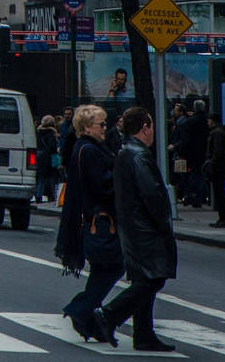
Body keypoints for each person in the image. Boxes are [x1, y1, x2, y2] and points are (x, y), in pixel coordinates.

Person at [92, 106, 178, 352]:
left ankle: (143, 334)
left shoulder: (126, 152)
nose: (153, 132)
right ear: (145, 128)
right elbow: (151, 194)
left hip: (132, 227)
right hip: (145, 229)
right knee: (153, 278)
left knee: (145, 278)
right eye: (151, 126)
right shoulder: (137, 155)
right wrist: (163, 222)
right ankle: (109, 314)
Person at [57, 105, 122, 341]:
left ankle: (87, 318)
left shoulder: (84, 148)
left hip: (93, 219)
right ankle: (81, 309)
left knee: (102, 269)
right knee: (114, 266)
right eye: (101, 124)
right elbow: (102, 187)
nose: (105, 128)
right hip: (100, 220)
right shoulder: (90, 151)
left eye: (106, 124)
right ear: (86, 127)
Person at [205, 113, 225, 227]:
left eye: (208, 120)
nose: (207, 123)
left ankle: (224, 218)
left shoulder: (217, 133)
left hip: (218, 166)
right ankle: (223, 218)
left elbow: (218, 151)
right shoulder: (219, 132)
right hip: (220, 165)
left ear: (212, 121)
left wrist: (212, 163)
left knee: (219, 193)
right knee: (219, 192)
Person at [36, 116, 61, 204]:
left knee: (41, 179)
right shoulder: (51, 133)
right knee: (54, 178)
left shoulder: (38, 132)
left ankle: (38, 196)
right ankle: (55, 195)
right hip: (49, 158)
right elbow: (52, 147)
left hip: (39, 157)